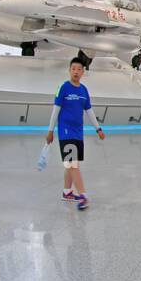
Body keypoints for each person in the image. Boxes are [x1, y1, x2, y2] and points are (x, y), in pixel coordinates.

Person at [46, 57, 105, 211]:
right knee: (73, 164)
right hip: (65, 132)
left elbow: (89, 110)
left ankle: (67, 192)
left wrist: (98, 128)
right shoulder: (63, 88)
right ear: (69, 70)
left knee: (70, 164)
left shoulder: (84, 90)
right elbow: (56, 110)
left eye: (79, 69)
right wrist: (50, 131)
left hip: (78, 133)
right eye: (73, 69)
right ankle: (83, 195)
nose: (76, 72)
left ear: (83, 72)